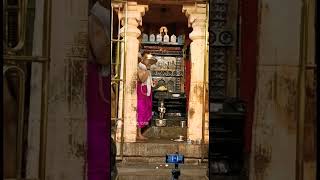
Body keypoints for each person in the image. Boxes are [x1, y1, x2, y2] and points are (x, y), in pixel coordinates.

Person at [87, 0, 115, 179]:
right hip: (95, 81)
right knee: (97, 133)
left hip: (97, 82)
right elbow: (102, 54)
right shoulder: (97, 17)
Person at [136, 53, 158, 140]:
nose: (149, 63)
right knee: (140, 111)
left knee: (144, 110)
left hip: (145, 92)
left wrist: (154, 84)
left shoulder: (144, 69)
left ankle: (138, 133)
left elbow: (148, 82)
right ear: (143, 60)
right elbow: (142, 79)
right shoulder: (139, 67)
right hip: (141, 92)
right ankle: (138, 134)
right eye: (148, 61)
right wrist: (148, 71)